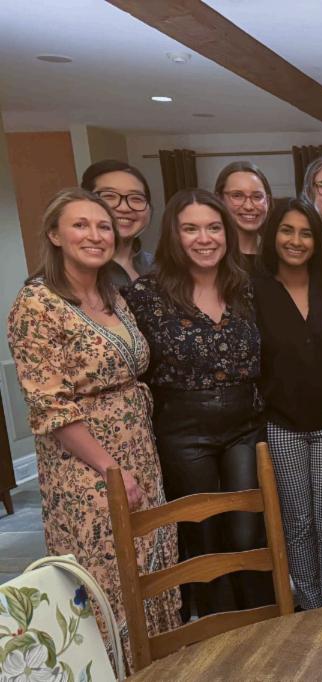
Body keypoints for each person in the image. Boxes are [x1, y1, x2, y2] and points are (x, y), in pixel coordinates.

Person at [7, 189, 180, 664]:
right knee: (110, 574)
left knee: (151, 565)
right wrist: (110, 469)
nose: (95, 235)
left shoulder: (111, 296)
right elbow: (51, 406)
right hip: (87, 466)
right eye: (80, 225)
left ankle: (161, 665)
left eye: (103, 226)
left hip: (138, 450)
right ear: (54, 234)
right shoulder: (36, 304)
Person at [125, 189, 272, 616]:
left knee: (247, 531)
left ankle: (260, 622)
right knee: (204, 537)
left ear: (227, 233)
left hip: (245, 425)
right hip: (183, 431)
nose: (204, 238)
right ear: (174, 235)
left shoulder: (245, 288)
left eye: (213, 228)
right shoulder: (145, 295)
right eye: (190, 229)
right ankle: (218, 631)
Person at [254, 197, 322, 609]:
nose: (296, 241)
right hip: (282, 426)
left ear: (317, 240)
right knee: (298, 523)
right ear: (272, 235)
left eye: (306, 233)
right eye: (287, 230)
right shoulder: (253, 289)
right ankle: (311, 605)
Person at [81, 160, 155, 289]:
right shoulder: (70, 274)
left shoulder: (161, 269)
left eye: (136, 198)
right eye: (109, 196)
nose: (124, 208)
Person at [215, 161, 273, 267]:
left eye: (257, 197)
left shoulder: (277, 261)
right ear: (219, 199)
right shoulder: (211, 260)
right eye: (237, 195)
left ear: (268, 202)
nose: (248, 206)